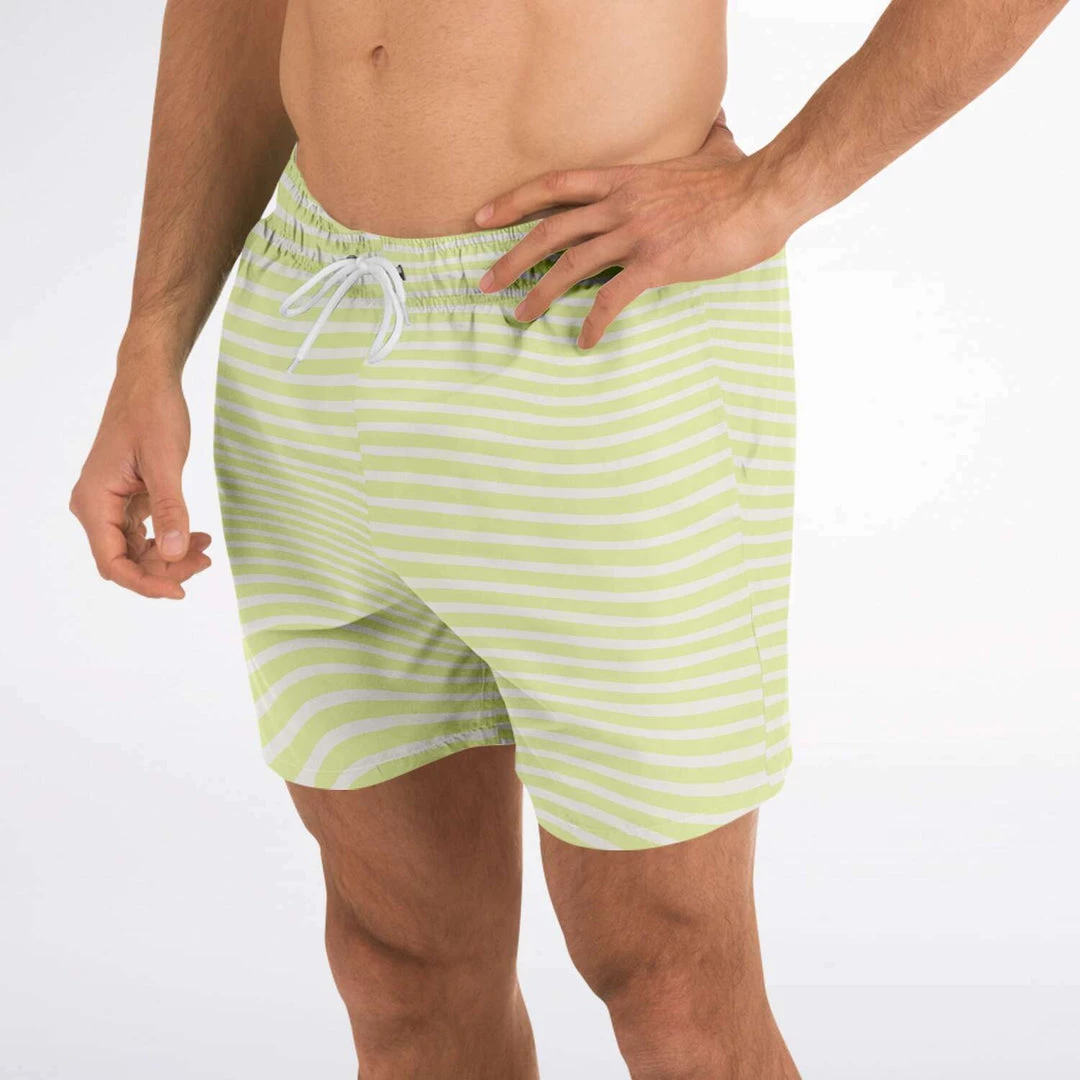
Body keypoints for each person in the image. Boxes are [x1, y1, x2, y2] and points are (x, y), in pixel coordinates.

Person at [69, 2, 1070, 1077]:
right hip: (312, 321)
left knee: (673, 983)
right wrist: (151, 340)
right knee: (398, 963)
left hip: (601, 322)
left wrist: (775, 191)